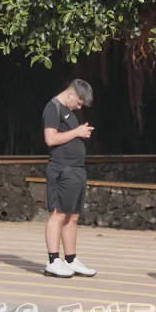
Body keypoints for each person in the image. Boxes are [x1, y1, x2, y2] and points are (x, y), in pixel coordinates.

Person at [42, 79, 97, 278]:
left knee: (72, 216)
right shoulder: (53, 108)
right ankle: (53, 260)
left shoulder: (68, 111)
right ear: (71, 94)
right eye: (80, 102)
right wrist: (77, 132)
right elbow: (50, 139)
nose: (80, 106)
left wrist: (78, 133)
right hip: (62, 169)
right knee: (59, 214)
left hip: (76, 170)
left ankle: (71, 259)